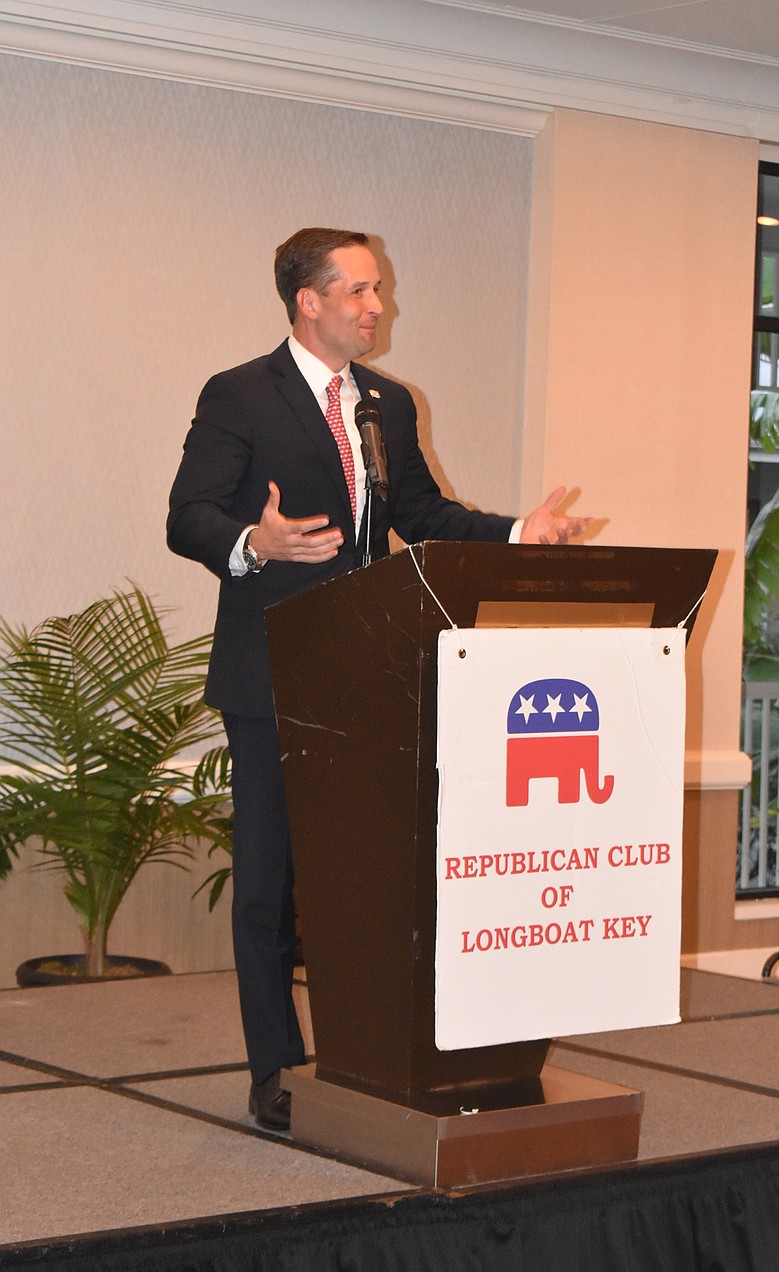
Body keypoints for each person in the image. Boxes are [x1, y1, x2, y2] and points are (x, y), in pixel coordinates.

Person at [167, 227, 589, 1132]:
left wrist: (521, 532)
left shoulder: (386, 404)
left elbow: (421, 513)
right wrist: (253, 542)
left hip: (372, 674)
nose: (377, 306)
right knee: (270, 885)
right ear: (308, 301)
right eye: (359, 290)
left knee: (366, 880)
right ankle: (275, 1066)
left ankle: (363, 1052)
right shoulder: (240, 394)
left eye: (378, 290)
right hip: (273, 673)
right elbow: (187, 514)